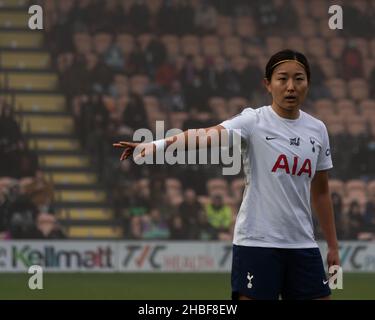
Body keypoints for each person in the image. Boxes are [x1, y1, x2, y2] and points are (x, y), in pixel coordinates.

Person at [113, 49, 340, 300]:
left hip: (302, 245)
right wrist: (155, 145)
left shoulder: (318, 129)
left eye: (299, 79)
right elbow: (204, 135)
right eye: (282, 78)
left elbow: (321, 192)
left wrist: (332, 245)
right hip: (257, 243)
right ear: (267, 84)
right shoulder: (253, 121)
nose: (290, 87)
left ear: (308, 83)